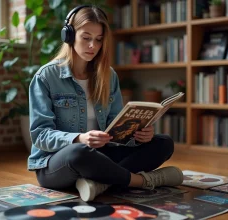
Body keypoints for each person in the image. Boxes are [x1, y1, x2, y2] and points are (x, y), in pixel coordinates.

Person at [28, 5, 184, 202]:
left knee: (163, 143)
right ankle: (141, 181)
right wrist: (79, 138)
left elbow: (116, 128)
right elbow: (40, 135)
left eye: (98, 40)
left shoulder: (108, 76)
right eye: (86, 38)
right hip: (57, 162)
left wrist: (138, 136)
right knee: (79, 153)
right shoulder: (46, 77)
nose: (92, 45)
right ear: (69, 35)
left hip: (100, 157)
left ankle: (100, 182)